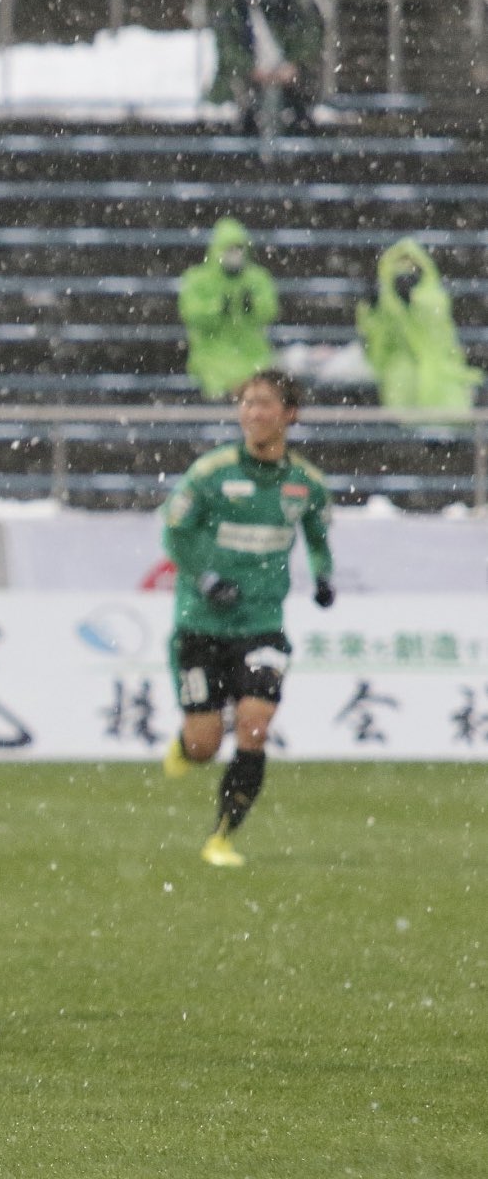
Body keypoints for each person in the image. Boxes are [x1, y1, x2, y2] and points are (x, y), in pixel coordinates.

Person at [160, 369, 335, 868]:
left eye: (264, 403)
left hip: (262, 626)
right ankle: (187, 746)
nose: (253, 413)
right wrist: (207, 578)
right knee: (204, 744)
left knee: (255, 728)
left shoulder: (306, 483)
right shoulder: (211, 473)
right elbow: (174, 533)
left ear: (289, 414)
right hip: (202, 625)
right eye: (247, 403)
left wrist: (323, 576)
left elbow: (318, 536)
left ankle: (221, 837)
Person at [357, 238, 483, 416]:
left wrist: (411, 301)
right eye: (399, 266)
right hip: (403, 398)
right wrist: (373, 308)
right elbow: (376, 352)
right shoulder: (384, 307)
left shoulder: (435, 297)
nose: (406, 271)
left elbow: (435, 330)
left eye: (411, 266)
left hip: (444, 397)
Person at [208, 0, 322, 135]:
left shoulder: (290, 10)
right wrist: (252, 69)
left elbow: (308, 43)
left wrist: (291, 67)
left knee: (285, 106)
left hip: (286, 85)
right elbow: (227, 50)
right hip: (243, 83)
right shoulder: (236, 11)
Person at [179, 217, 278, 400]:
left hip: (252, 354)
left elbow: (269, 311)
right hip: (211, 356)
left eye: (238, 248)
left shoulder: (257, 278)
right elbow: (191, 313)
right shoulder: (198, 279)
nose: (235, 254)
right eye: (229, 249)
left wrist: (251, 307)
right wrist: (218, 308)